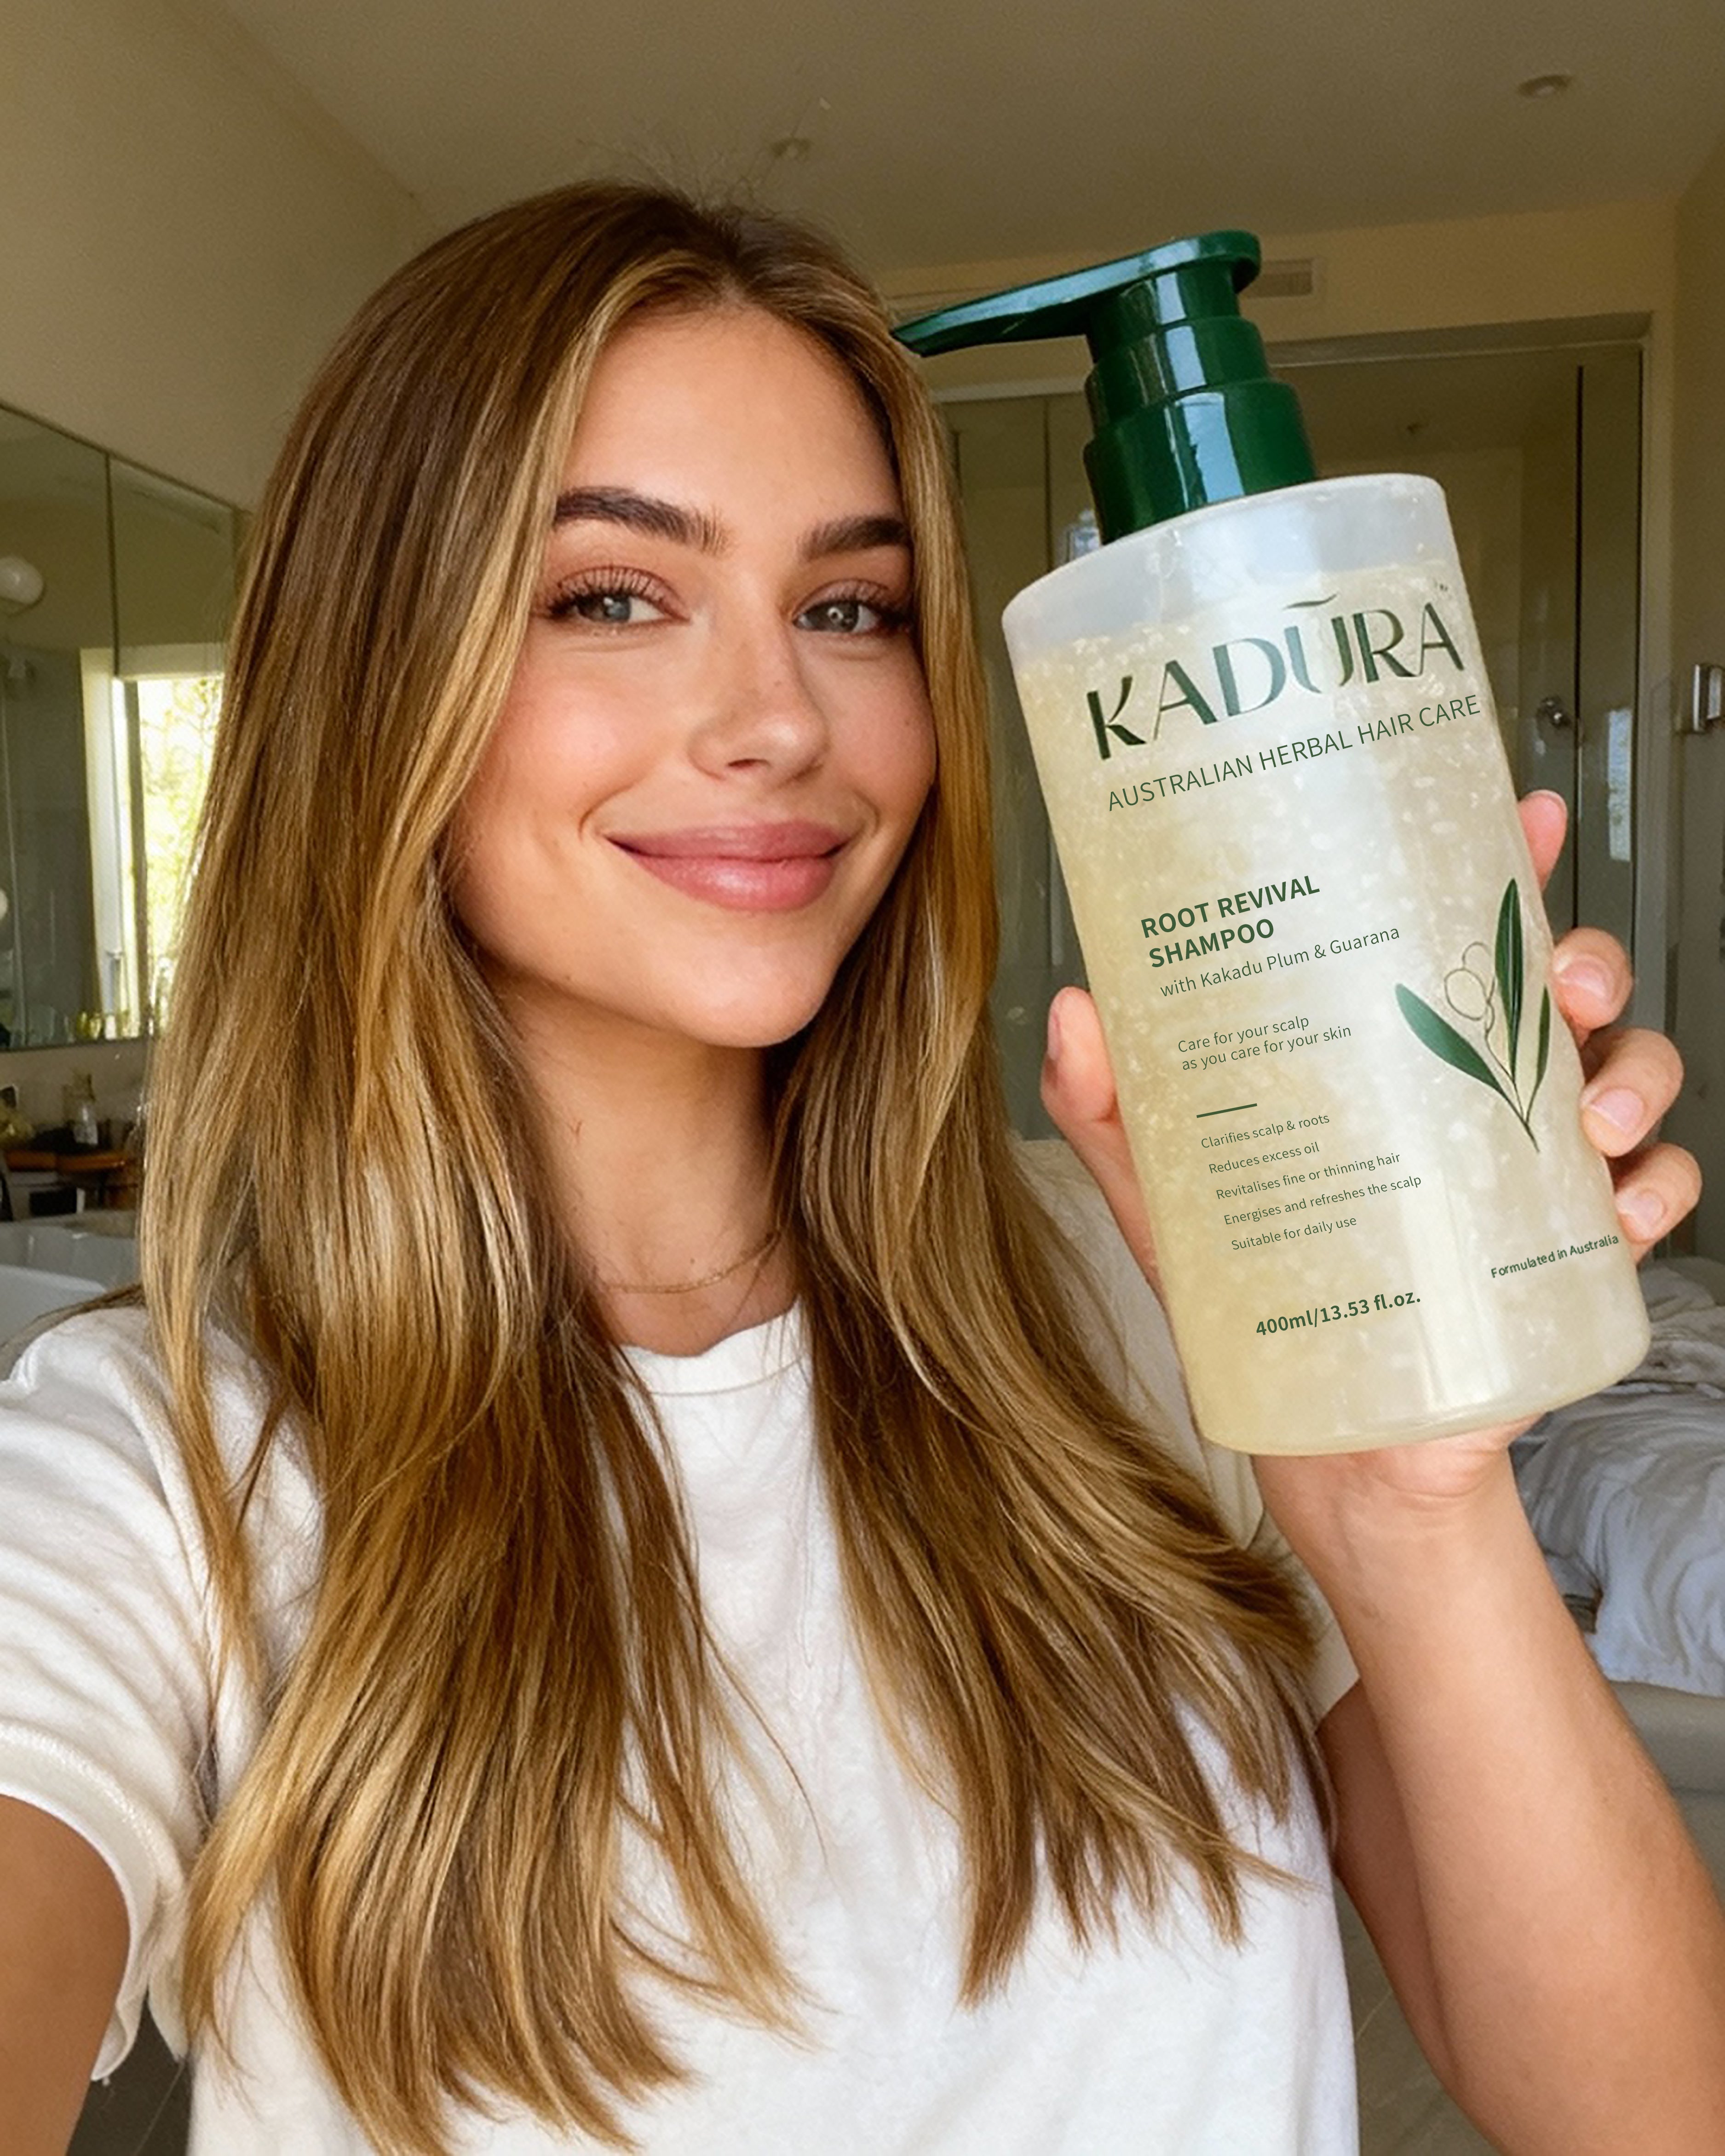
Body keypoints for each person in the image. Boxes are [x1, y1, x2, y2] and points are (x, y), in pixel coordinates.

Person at [0, 182, 1719, 2156]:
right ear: (380, 680)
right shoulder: (160, 1464)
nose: (779, 720)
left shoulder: (1134, 1291)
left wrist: (1407, 1515)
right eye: (613, 596)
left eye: (850, 607)